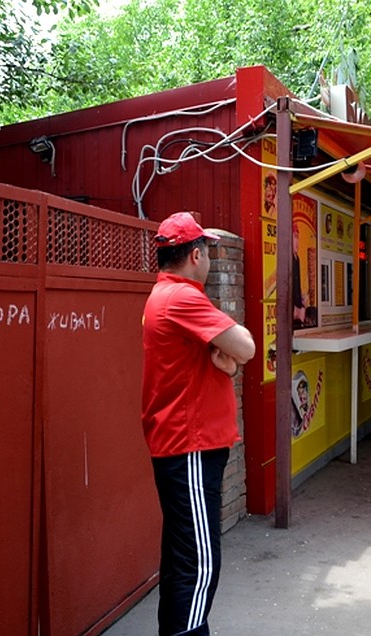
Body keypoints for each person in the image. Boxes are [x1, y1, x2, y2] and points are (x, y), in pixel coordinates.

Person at [141, 211, 256, 636]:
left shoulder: (166, 296)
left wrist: (228, 360)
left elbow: (227, 359)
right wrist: (232, 355)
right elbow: (245, 347)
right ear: (195, 255)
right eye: (206, 250)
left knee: (181, 557)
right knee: (199, 562)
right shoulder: (182, 298)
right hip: (189, 445)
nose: (207, 257)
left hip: (185, 444)